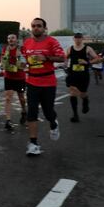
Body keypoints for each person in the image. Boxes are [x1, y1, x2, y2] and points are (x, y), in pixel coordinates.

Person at [21, 18, 65, 156]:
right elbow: (24, 60)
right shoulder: (27, 43)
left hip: (48, 82)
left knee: (48, 112)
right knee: (31, 112)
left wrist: (46, 58)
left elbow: (62, 58)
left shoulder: (52, 41)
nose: (35, 28)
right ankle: (33, 143)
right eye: (33, 26)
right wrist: (23, 65)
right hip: (32, 81)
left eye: (39, 26)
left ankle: (53, 123)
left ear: (44, 28)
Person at [64, 33, 101, 123]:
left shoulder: (87, 49)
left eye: (79, 38)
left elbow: (98, 59)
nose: (77, 40)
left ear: (82, 39)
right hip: (72, 74)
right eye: (76, 38)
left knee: (83, 93)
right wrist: (65, 66)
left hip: (83, 75)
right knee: (72, 92)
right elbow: (65, 58)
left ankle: (85, 100)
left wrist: (87, 62)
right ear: (73, 39)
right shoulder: (70, 49)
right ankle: (75, 114)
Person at [1, 33, 27, 131]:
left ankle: (24, 111)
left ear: (16, 40)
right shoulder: (5, 49)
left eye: (12, 38)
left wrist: (18, 58)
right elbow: (3, 61)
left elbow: (24, 65)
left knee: (21, 98)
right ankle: (8, 120)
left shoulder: (22, 49)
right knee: (8, 98)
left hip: (20, 78)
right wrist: (2, 65)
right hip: (8, 77)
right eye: (8, 38)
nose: (10, 40)